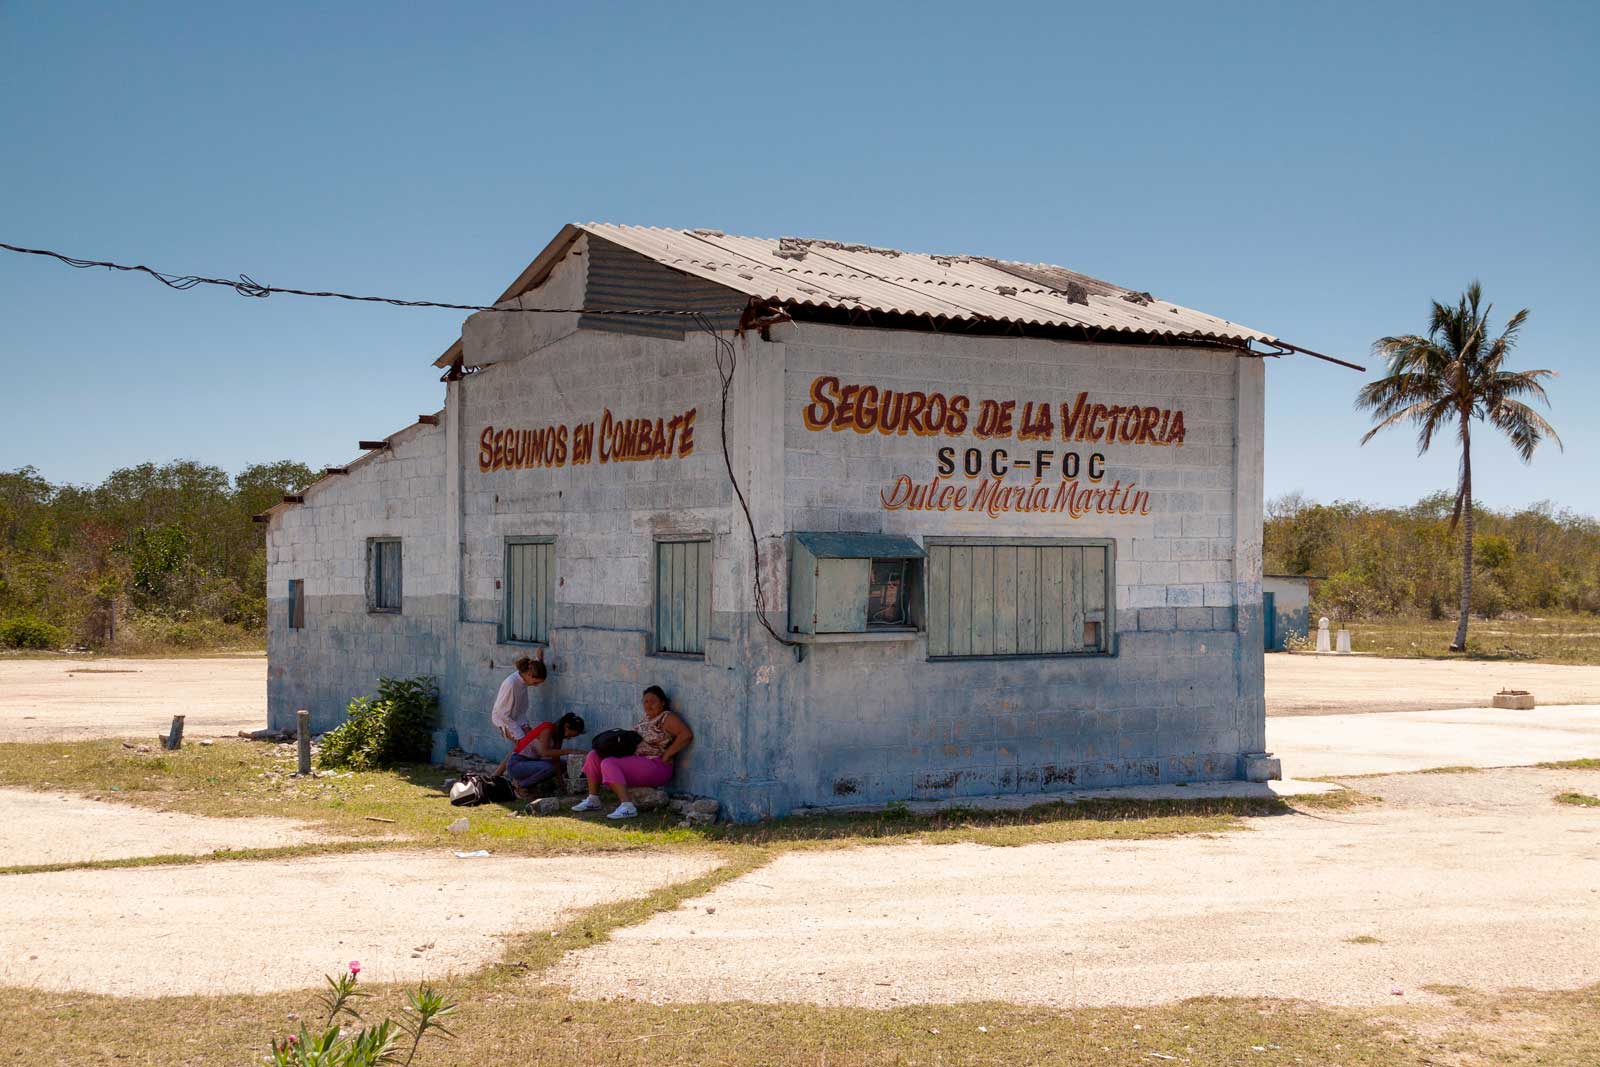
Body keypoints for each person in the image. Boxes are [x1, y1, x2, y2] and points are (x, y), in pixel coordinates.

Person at [572, 685, 692, 820]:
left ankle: (627, 807)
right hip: (637, 761)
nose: (648, 705)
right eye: (645, 702)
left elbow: (686, 735)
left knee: (609, 763)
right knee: (594, 755)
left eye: (653, 701)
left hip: (656, 765)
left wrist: (668, 754)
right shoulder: (646, 718)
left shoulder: (666, 717)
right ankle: (593, 799)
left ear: (662, 702)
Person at [495, 711, 586, 796]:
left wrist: (561, 784)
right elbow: (544, 752)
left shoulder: (558, 737)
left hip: (531, 763)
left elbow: (556, 760)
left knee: (563, 765)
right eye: (570, 735)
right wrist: (569, 751)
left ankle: (529, 786)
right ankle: (520, 786)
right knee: (550, 767)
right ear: (566, 726)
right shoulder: (547, 728)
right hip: (516, 764)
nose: (569, 738)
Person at [490, 649, 547, 741]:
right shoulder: (511, 684)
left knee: (532, 742)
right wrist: (519, 734)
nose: (536, 685)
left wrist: (539, 660)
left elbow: (534, 667)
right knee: (523, 747)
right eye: (535, 682)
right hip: (504, 719)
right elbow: (503, 714)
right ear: (529, 674)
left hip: (518, 716)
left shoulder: (525, 676)